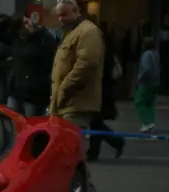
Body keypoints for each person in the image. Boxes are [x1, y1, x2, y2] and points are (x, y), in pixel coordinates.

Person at [49, 0, 104, 128]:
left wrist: (64, 88)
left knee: (70, 144)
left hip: (76, 104)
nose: (60, 19)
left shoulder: (88, 31)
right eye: (58, 15)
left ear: (76, 11)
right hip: (65, 104)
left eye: (64, 14)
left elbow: (86, 64)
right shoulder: (71, 32)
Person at [0, 13, 56, 116]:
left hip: (34, 93)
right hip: (15, 90)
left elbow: (53, 63)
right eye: (23, 24)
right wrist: (9, 20)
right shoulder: (15, 39)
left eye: (27, 21)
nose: (28, 25)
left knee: (30, 124)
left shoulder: (44, 37)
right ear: (18, 30)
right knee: (12, 122)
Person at [87, 32, 125, 161]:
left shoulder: (102, 56)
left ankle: (96, 151)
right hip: (102, 94)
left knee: (95, 123)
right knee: (96, 123)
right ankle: (112, 143)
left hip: (100, 94)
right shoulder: (107, 55)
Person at [134, 36, 160, 133]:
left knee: (139, 101)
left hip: (147, 82)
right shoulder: (156, 54)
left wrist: (140, 77)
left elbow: (146, 69)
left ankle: (146, 122)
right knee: (150, 103)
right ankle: (151, 122)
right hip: (155, 82)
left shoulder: (146, 55)